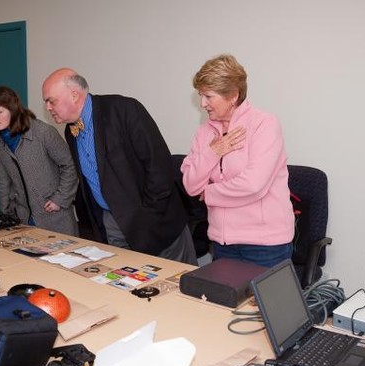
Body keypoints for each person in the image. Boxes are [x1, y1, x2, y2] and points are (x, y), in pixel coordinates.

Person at [41, 68, 197, 265]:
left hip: (157, 226)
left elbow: (159, 166)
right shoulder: (69, 131)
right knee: (126, 290)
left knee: (176, 288)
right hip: (113, 226)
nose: (47, 107)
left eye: (51, 100)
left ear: (74, 95)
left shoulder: (123, 109)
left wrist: (147, 216)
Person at [181, 54, 294, 267]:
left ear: (233, 95)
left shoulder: (265, 125)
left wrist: (210, 193)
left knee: (262, 302)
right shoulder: (204, 133)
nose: (203, 103)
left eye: (209, 96)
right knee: (222, 301)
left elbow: (253, 185)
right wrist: (214, 152)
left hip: (265, 244)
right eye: (200, 95)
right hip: (222, 242)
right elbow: (190, 184)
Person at [0, 86, 79, 236]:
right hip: (24, 220)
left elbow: (70, 166)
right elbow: (3, 182)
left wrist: (60, 199)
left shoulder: (43, 132)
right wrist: (5, 215)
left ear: (13, 110)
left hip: (55, 216)